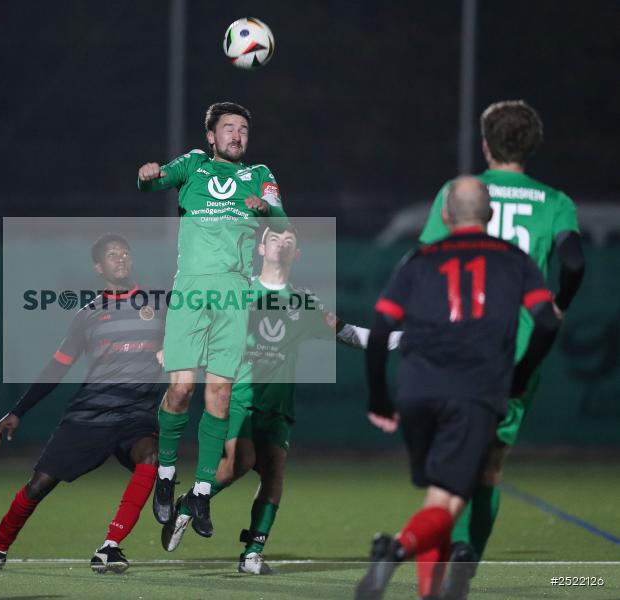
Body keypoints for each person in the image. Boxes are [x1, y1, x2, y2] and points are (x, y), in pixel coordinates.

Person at [354, 177, 561, 600]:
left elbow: (379, 335)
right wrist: (519, 376)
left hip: (415, 390)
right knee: (449, 502)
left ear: (446, 216)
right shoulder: (514, 259)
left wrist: (379, 397)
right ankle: (395, 549)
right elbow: (545, 322)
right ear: (488, 215)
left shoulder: (418, 258)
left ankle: (429, 593)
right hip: (472, 391)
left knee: (439, 495)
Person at [159, 225, 402, 574]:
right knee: (234, 465)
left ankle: (251, 554)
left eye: (290, 240)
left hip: (278, 405)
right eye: (274, 238)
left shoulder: (304, 303)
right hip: (239, 396)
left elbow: (350, 334)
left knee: (274, 473)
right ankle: (189, 503)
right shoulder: (239, 293)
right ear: (260, 248)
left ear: (297, 254)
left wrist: (405, 339)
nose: (282, 243)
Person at [418, 100, 585, 598]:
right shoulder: (555, 201)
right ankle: (467, 555)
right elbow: (573, 261)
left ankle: (438, 574)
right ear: (531, 146)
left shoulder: (458, 192)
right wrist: (559, 305)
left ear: (485, 144)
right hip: (516, 345)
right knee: (489, 466)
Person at [137, 101, 288, 538]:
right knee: (181, 389)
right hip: (191, 289)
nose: (237, 135)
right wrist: (146, 174)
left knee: (218, 396)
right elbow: (155, 181)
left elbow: (281, 220)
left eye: (243, 129)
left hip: (235, 292)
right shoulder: (193, 165)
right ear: (211, 135)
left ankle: (201, 491)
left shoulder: (259, 174)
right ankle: (166, 477)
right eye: (228, 128)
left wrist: (266, 209)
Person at [0, 234, 162, 574]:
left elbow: (190, 339)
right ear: (98, 266)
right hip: (89, 415)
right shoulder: (88, 315)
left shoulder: (159, 304)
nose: (120, 258)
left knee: (150, 456)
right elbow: (58, 366)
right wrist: (18, 410)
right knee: (40, 484)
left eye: (125, 253)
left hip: (135, 415)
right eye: (111, 255)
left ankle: (110, 547)